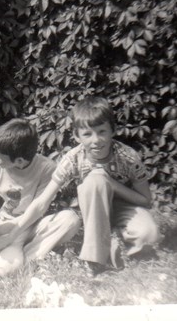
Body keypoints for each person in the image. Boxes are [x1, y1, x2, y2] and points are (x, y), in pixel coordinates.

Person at [21, 96, 161, 276]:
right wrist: (16, 229)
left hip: (125, 208)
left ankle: (114, 240)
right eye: (87, 134)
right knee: (95, 180)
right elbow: (43, 201)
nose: (96, 140)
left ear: (113, 130)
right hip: (93, 210)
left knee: (149, 235)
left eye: (102, 131)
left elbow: (146, 201)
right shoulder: (73, 158)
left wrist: (112, 184)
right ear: (76, 136)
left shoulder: (128, 157)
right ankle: (95, 259)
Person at [0, 118, 81, 277]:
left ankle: (26, 257)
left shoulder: (47, 168)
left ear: (18, 161)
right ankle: (23, 258)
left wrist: (12, 236)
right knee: (4, 269)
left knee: (70, 219)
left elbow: (38, 209)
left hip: (30, 224)